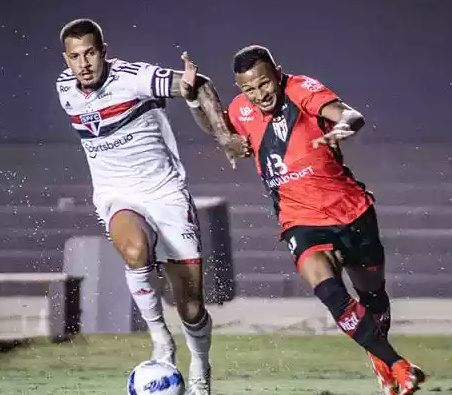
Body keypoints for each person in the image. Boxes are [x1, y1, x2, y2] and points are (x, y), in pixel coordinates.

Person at [179, 46, 427, 395]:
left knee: (373, 297)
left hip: (351, 212)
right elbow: (217, 126)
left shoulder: (300, 89)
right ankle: (398, 366)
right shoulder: (242, 109)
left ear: (277, 74)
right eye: (249, 89)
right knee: (331, 294)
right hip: (299, 221)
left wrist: (340, 129)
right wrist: (194, 102)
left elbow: (350, 115)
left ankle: (381, 358)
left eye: (264, 84)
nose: (259, 94)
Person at [55, 18, 245, 395]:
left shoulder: (134, 77)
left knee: (190, 305)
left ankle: (201, 369)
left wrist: (222, 134)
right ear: (66, 60)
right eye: (76, 56)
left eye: (91, 53)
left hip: (165, 192)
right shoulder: (64, 88)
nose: (84, 63)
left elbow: (199, 84)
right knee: (135, 250)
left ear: (103, 52)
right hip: (118, 195)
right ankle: (161, 339)